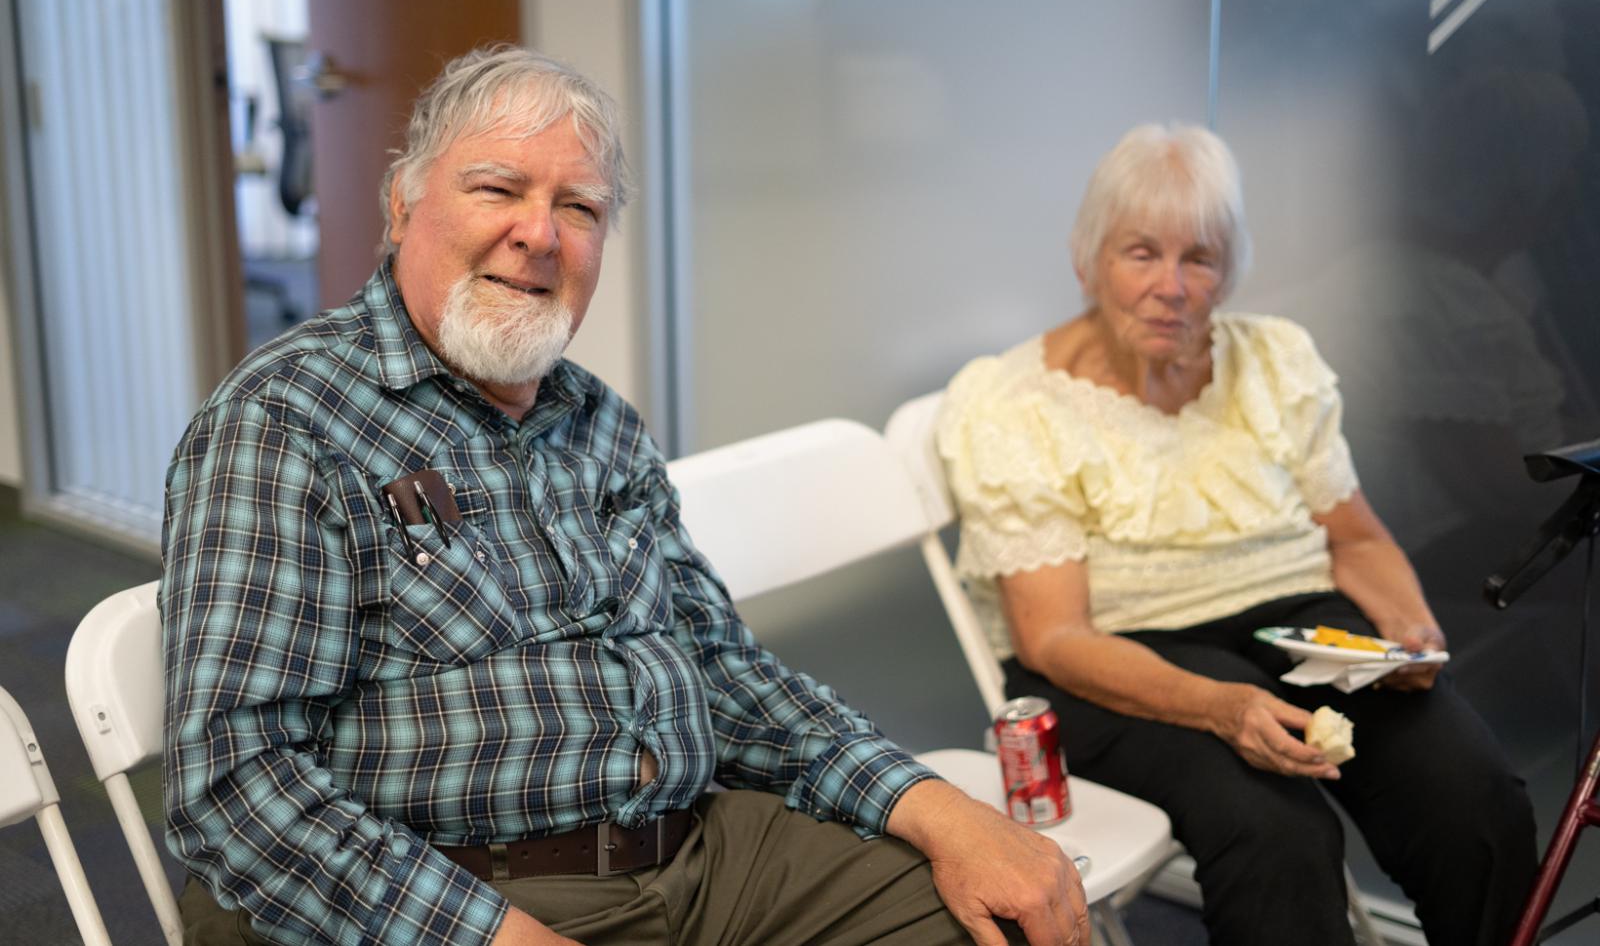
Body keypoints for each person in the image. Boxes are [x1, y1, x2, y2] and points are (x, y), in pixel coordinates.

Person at [161, 46, 1087, 946]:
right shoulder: (288, 420)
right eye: (497, 189)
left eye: (580, 206)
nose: (540, 233)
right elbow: (236, 781)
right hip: (461, 894)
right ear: (402, 204)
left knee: (1000, 918)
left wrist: (935, 808)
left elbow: (723, 671)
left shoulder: (600, 423)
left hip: (697, 858)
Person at [935, 123, 1536, 946]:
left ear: (1230, 270)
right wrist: (1220, 707)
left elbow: (1356, 541)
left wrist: (1408, 631)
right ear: (1087, 260)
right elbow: (1053, 635)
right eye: (1140, 252)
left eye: (1201, 257)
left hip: (1296, 619)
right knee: (1277, 833)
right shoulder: (1012, 403)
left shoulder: (1277, 361)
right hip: (1116, 653)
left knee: (1473, 797)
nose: (1172, 286)